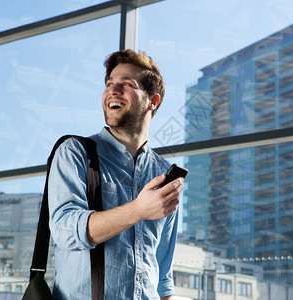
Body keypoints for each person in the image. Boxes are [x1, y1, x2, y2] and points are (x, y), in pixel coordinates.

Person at [48, 49, 184, 300]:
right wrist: (139, 210)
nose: (113, 90)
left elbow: (162, 274)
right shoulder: (75, 152)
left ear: (152, 102)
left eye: (126, 84)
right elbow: (65, 230)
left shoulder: (164, 174)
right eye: (110, 84)